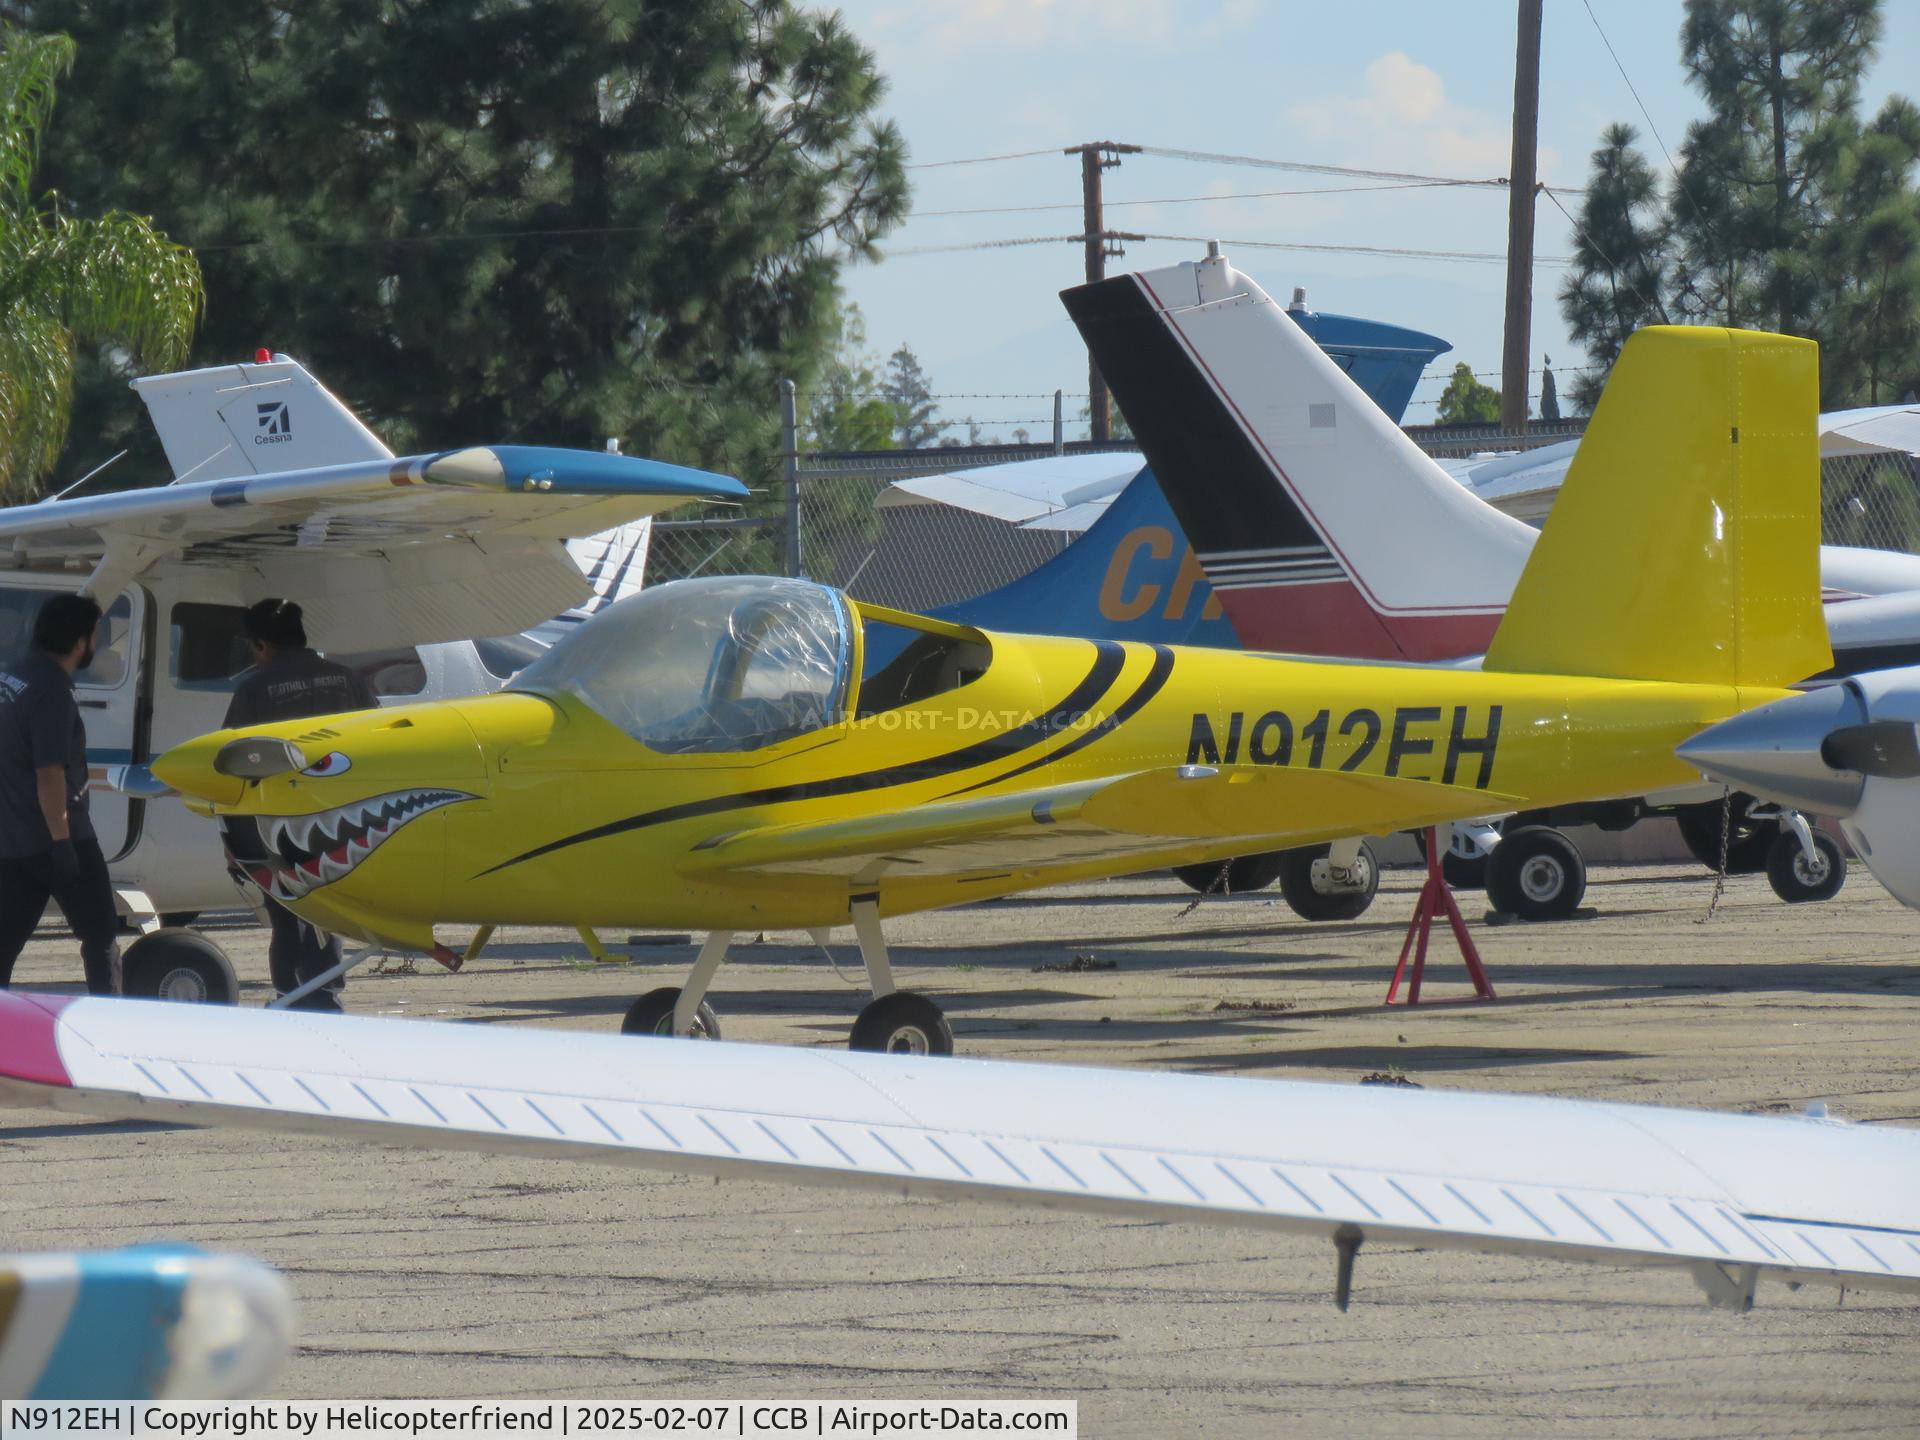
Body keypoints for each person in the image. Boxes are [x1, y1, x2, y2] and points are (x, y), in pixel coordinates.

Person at [224, 599, 376, 1011]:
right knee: (331, 909)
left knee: (288, 915)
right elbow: (378, 747)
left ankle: (292, 996)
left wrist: (231, 840)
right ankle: (325, 991)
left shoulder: (254, 689)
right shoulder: (348, 681)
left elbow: (232, 764)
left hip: (280, 827)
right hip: (345, 821)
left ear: (260, 645)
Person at [0, 594, 120, 994]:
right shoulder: (53, 689)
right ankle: (111, 1028)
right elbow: (49, 773)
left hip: (14, 840)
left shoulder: (13, 676)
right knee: (100, 937)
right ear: (81, 641)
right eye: (97, 636)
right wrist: (62, 842)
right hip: (58, 837)